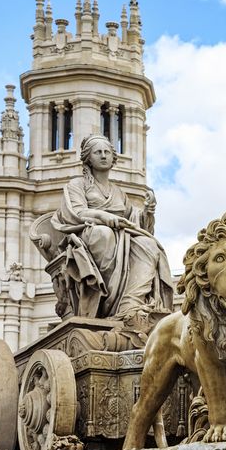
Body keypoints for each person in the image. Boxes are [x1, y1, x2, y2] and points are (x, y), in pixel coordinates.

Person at [51, 134, 173, 319]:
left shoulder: (118, 192)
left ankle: (130, 303)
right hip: (88, 234)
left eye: (107, 152)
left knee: (149, 244)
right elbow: (76, 213)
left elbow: (135, 221)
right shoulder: (77, 185)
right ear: (88, 158)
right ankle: (106, 303)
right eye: (98, 152)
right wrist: (104, 217)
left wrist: (148, 211)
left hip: (121, 236)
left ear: (113, 157)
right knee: (104, 234)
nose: (103, 155)